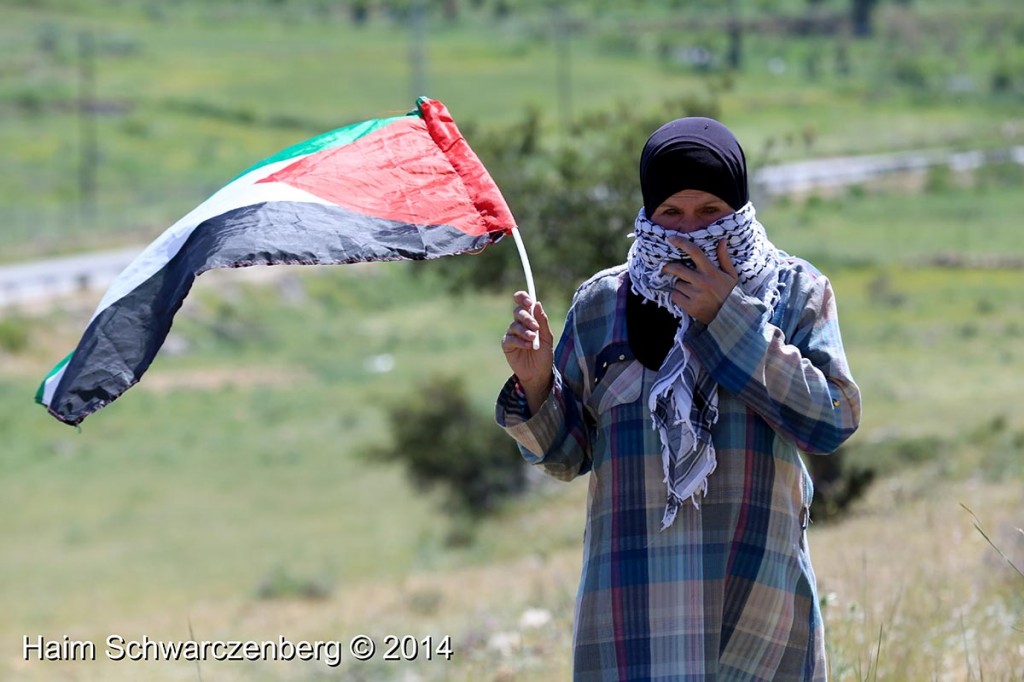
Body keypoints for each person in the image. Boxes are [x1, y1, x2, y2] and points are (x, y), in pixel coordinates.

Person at [496, 116, 861, 681]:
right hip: (631, 619)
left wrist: (728, 319)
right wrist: (538, 381)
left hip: (759, 609)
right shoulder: (601, 307)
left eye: (710, 211)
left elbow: (830, 422)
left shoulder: (795, 293)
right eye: (671, 214)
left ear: (738, 207)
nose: (690, 231)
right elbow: (568, 457)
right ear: (648, 215)